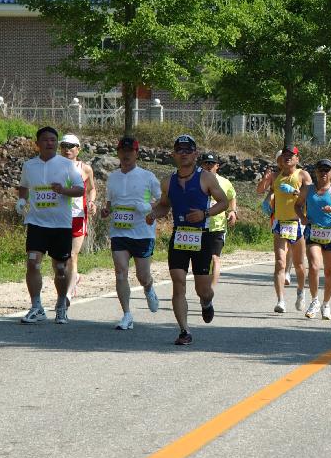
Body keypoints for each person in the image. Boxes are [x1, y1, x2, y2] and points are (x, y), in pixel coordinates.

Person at [147, 134, 229, 346]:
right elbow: (165, 205)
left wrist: (205, 214)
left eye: (187, 150)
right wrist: (155, 213)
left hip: (202, 237)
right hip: (179, 235)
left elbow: (223, 202)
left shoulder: (206, 178)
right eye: (179, 150)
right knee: (178, 282)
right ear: (173, 154)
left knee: (203, 289)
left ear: (195, 154)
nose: (183, 154)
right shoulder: (168, 181)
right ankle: (184, 330)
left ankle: (206, 301)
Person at [17, 126, 85, 324]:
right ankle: (36, 306)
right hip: (37, 223)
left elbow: (80, 189)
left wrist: (63, 190)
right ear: (37, 143)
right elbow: (23, 187)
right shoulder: (29, 166)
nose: (50, 143)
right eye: (45, 140)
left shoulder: (66, 165)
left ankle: (61, 304)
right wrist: (22, 201)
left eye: (53, 140)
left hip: (61, 225)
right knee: (32, 262)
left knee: (61, 269)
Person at [101, 137, 162, 330]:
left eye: (130, 151)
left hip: (142, 232)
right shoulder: (113, 177)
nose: (126, 155)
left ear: (136, 153)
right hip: (119, 231)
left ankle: (149, 287)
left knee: (142, 275)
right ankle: (127, 314)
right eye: (122, 151)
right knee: (120, 271)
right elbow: (110, 204)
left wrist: (148, 207)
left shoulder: (148, 176)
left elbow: (163, 201)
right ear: (118, 153)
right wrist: (106, 211)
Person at [294, 159, 331, 320]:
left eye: (327, 170)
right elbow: (297, 205)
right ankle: (314, 300)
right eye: (321, 170)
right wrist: (303, 218)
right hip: (313, 232)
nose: (324, 173)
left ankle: (326, 304)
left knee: (329, 273)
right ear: (316, 172)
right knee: (313, 266)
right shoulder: (307, 189)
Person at [264, 146, 312, 312]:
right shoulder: (276, 176)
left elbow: (312, 197)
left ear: (297, 159)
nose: (287, 158)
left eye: (291, 156)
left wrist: (295, 192)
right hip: (280, 223)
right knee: (279, 262)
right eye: (284, 156)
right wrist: (267, 199)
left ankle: (300, 292)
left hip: (296, 224)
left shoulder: (302, 175)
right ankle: (281, 300)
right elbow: (267, 191)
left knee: (299, 264)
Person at [58, 134, 96, 306]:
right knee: (61, 259)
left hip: (78, 216)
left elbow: (92, 189)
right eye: (64, 145)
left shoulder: (85, 168)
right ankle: (75, 277)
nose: (67, 149)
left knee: (72, 255)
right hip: (58, 216)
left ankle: (68, 292)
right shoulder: (54, 167)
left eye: (71, 146)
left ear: (78, 149)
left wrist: (92, 201)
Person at [200, 152, 238, 308]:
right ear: (201, 165)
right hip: (199, 226)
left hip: (218, 226)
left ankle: (210, 291)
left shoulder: (224, 182)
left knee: (215, 258)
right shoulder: (196, 181)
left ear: (217, 166)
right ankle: (203, 286)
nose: (209, 166)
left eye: (212, 164)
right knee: (203, 260)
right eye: (206, 163)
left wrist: (232, 211)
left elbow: (232, 197)